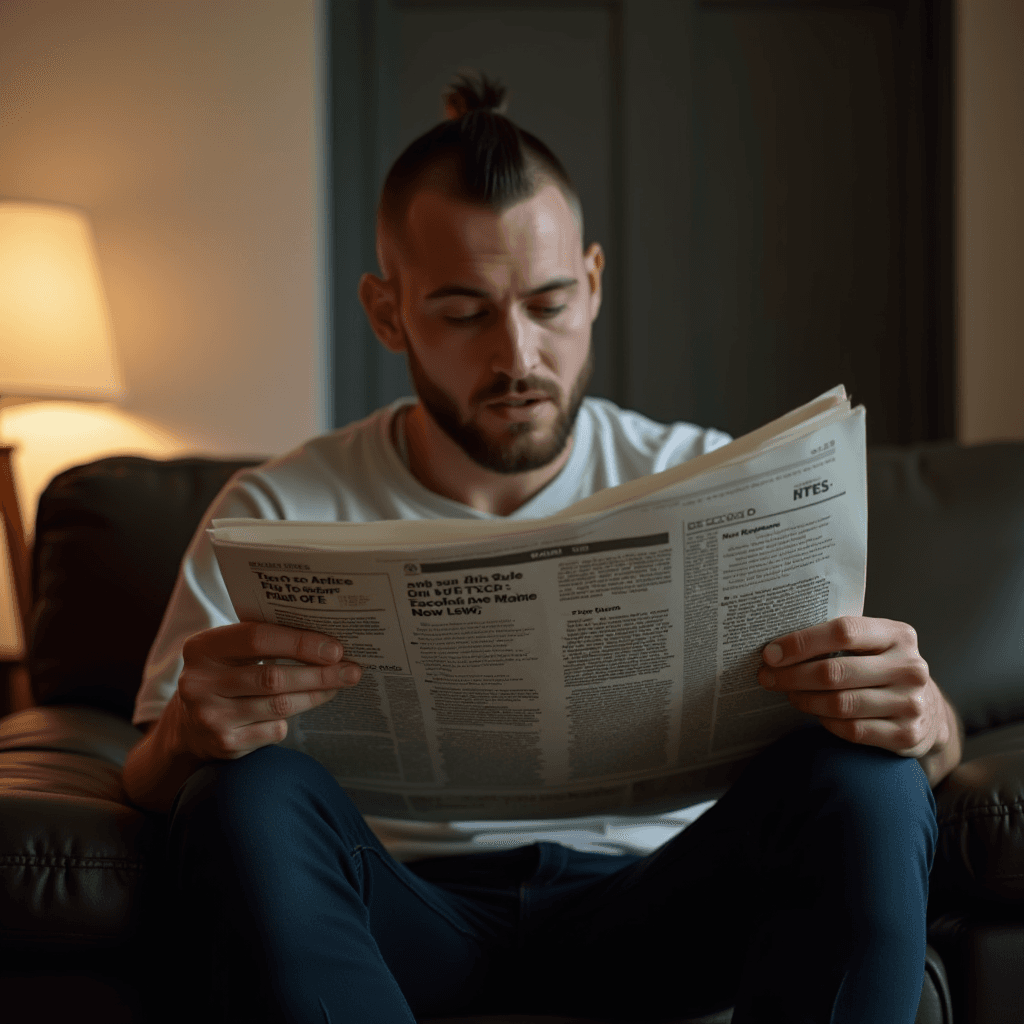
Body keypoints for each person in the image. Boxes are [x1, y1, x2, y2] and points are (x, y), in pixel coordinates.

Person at [124, 74, 961, 1023]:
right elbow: (147, 782)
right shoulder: (276, 507)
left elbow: (900, 740)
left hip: (665, 912)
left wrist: (927, 724)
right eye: (464, 312)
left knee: (869, 778)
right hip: (399, 918)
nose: (518, 357)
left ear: (594, 284)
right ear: (387, 311)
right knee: (244, 793)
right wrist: (188, 738)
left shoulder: (713, 478)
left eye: (550, 304)